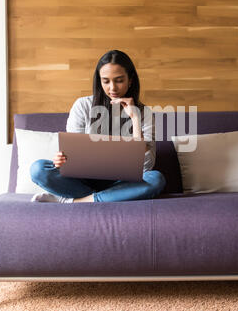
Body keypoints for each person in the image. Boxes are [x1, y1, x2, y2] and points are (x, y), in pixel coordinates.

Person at [30, 50, 166, 203]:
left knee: (156, 179)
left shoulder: (144, 113)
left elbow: (145, 167)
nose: (112, 88)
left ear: (130, 80)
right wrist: (61, 160)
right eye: (106, 81)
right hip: (82, 181)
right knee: (38, 169)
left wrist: (135, 118)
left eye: (119, 80)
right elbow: (72, 153)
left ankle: (77, 201)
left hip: (121, 183)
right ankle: (107, 197)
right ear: (99, 82)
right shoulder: (83, 106)